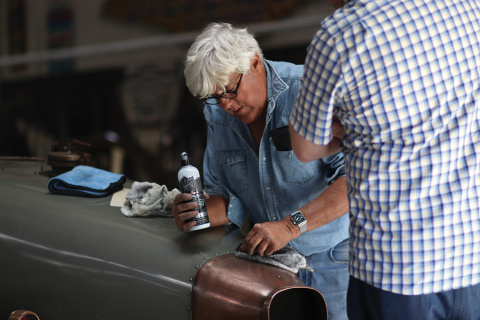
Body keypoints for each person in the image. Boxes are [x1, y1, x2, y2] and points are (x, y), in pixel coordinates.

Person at [289, 0, 480, 319]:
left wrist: (356, 130)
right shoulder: (468, 7)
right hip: (470, 255)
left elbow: (306, 148)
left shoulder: (342, 33)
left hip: (395, 267)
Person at [173, 22, 350, 320]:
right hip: (273, 271)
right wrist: (200, 211)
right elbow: (223, 195)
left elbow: (355, 180)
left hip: (334, 261)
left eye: (230, 90)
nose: (226, 106)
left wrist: (290, 226)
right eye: (215, 97)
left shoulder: (308, 91)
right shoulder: (218, 114)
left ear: (254, 62)